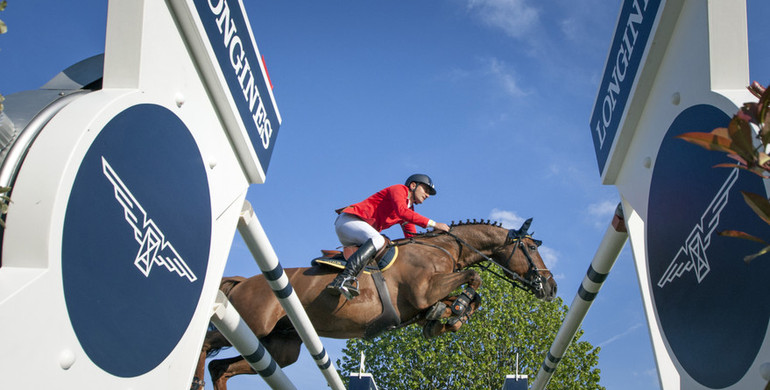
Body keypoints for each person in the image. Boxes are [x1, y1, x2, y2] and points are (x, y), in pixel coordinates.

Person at [327, 174, 450, 300]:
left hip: (357, 232)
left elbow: (411, 237)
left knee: (384, 247)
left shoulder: (409, 209)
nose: (427, 195)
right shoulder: (399, 190)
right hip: (349, 221)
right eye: (426, 190)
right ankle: (343, 279)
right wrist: (433, 224)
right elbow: (402, 212)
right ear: (413, 185)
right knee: (379, 240)